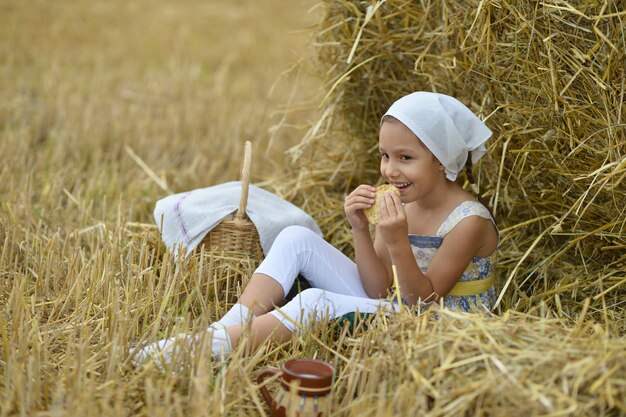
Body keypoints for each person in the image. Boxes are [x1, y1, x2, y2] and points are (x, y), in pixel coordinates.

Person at [131, 91, 499, 368]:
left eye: (405, 158)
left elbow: (421, 304)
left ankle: (196, 351)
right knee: (296, 238)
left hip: (440, 324)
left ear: (441, 161)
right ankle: (227, 328)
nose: (389, 170)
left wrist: (397, 241)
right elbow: (379, 289)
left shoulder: (468, 221)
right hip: (396, 303)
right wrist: (359, 229)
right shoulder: (404, 200)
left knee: (314, 303)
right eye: (385, 155)